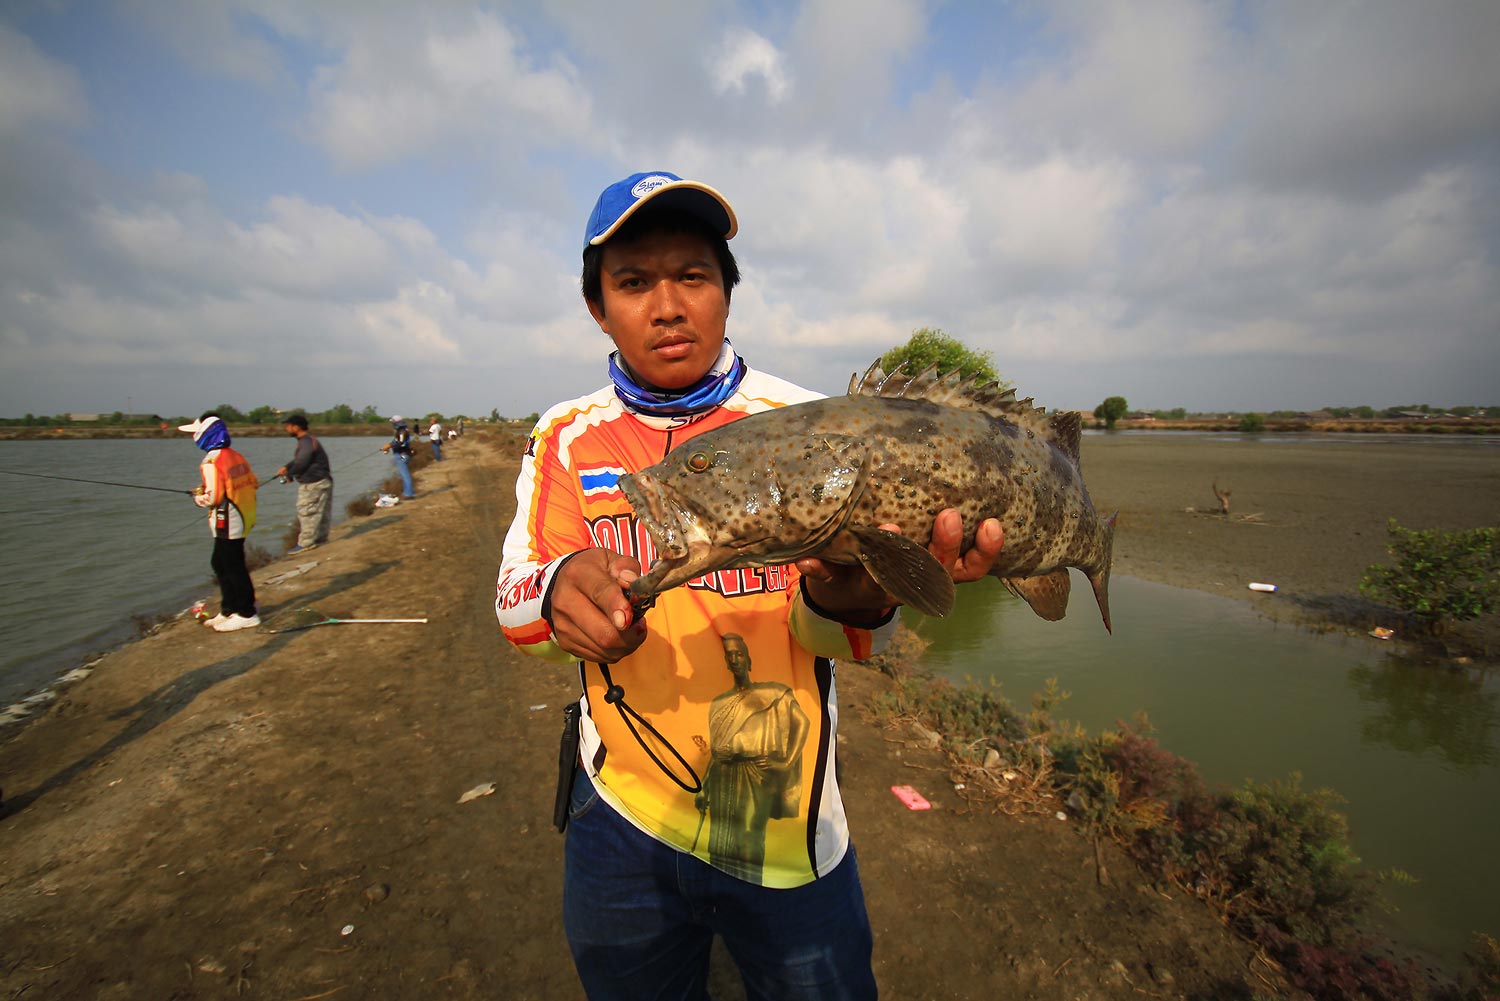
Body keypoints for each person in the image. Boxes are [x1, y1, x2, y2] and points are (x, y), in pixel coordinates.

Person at [494, 170, 1004, 999]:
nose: (667, 306)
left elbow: (840, 634)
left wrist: (854, 592)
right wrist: (556, 590)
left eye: (693, 276)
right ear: (598, 307)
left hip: (788, 819)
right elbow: (512, 596)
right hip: (618, 811)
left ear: (728, 292)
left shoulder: (808, 424)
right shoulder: (564, 436)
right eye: (633, 283)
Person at [180, 412, 261, 632]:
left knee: (232, 565)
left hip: (228, 519)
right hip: (244, 515)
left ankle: (246, 613)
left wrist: (198, 498)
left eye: (195, 433)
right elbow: (253, 482)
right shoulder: (235, 455)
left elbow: (213, 497)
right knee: (220, 562)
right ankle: (229, 609)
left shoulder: (211, 460)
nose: (193, 438)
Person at [275, 413, 333, 553]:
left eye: (288, 426)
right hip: (321, 481)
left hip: (314, 483)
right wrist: (287, 467)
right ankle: (320, 539)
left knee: (307, 511)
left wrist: (290, 474)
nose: (286, 429)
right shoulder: (307, 441)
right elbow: (300, 459)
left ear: (296, 427)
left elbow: (302, 461)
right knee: (321, 512)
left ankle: (306, 543)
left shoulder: (306, 442)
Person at [380, 415, 416, 499]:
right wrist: (389, 447)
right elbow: (397, 442)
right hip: (401, 454)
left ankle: (409, 494)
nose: (393, 425)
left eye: (393, 423)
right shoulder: (401, 431)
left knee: (405, 475)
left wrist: (389, 446)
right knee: (404, 475)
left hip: (401, 455)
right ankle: (407, 493)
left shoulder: (402, 431)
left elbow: (401, 443)